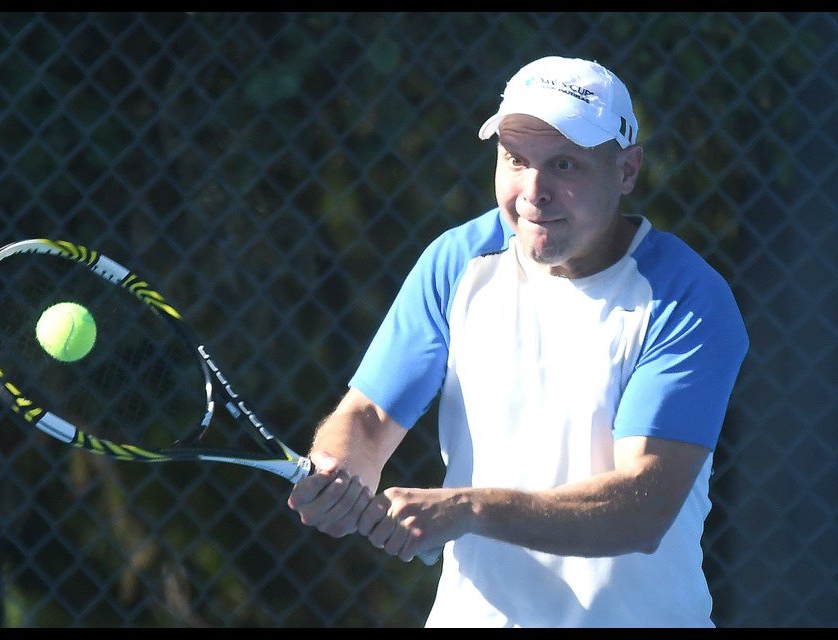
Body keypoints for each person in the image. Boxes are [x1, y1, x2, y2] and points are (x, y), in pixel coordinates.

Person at [287, 55, 749, 628]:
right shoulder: (456, 261)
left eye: (564, 165)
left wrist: (470, 508)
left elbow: (644, 505)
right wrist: (339, 474)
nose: (533, 191)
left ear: (627, 170)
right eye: (515, 160)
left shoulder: (689, 299)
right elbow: (369, 417)